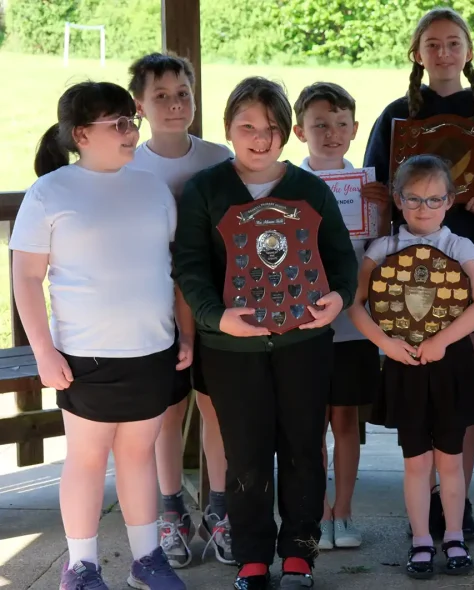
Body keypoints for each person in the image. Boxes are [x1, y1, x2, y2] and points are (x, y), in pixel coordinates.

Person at [173, 76, 358, 590]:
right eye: (247, 126)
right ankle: (252, 557)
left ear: (287, 132)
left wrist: (338, 300)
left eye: (272, 127)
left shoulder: (310, 190)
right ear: (229, 129)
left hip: (304, 342)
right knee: (245, 453)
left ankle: (299, 554)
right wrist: (215, 317)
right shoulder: (207, 189)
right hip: (232, 347)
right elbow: (189, 266)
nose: (260, 138)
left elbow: (342, 262)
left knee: (303, 446)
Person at [13, 81, 186, 590]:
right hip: (83, 356)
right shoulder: (49, 192)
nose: (133, 132)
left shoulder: (152, 186)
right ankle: (82, 566)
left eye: (133, 121)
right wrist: (43, 351)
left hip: (152, 349)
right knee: (87, 459)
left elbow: (173, 267)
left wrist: (186, 334)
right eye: (120, 124)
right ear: (82, 134)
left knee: (139, 455)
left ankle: (147, 559)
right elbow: (25, 277)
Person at [363, 6, 474, 539]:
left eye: (453, 43)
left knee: (459, 390)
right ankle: (423, 503)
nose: (444, 52)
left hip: (469, 258)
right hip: (403, 271)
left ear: (468, 51)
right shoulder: (394, 115)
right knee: (415, 389)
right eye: (433, 44)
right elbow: (375, 187)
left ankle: (458, 499)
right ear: (418, 53)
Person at [348, 154, 474, 579]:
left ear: (449, 201)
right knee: (416, 461)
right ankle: (421, 539)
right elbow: (357, 305)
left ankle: (453, 535)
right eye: (413, 199)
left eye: (433, 199)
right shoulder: (384, 248)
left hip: (450, 366)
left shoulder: (459, 246)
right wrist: (385, 345)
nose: (423, 208)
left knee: (449, 459)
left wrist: (441, 341)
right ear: (397, 199)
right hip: (403, 365)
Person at [126, 51, 235, 568]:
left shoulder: (219, 157)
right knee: (167, 416)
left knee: (216, 411)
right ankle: (171, 509)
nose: (175, 104)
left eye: (183, 93)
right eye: (161, 95)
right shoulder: (128, 162)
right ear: (139, 105)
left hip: (215, 305)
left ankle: (220, 509)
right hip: (153, 310)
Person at [292, 81, 391, 550]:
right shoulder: (289, 187)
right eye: (319, 125)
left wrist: (385, 212)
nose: (331, 133)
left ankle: (343, 512)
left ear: (354, 129)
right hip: (302, 326)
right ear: (299, 131)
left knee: (346, 421)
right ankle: (315, 511)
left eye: (341, 124)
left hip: (353, 325)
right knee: (309, 425)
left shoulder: (365, 187)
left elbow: (381, 253)